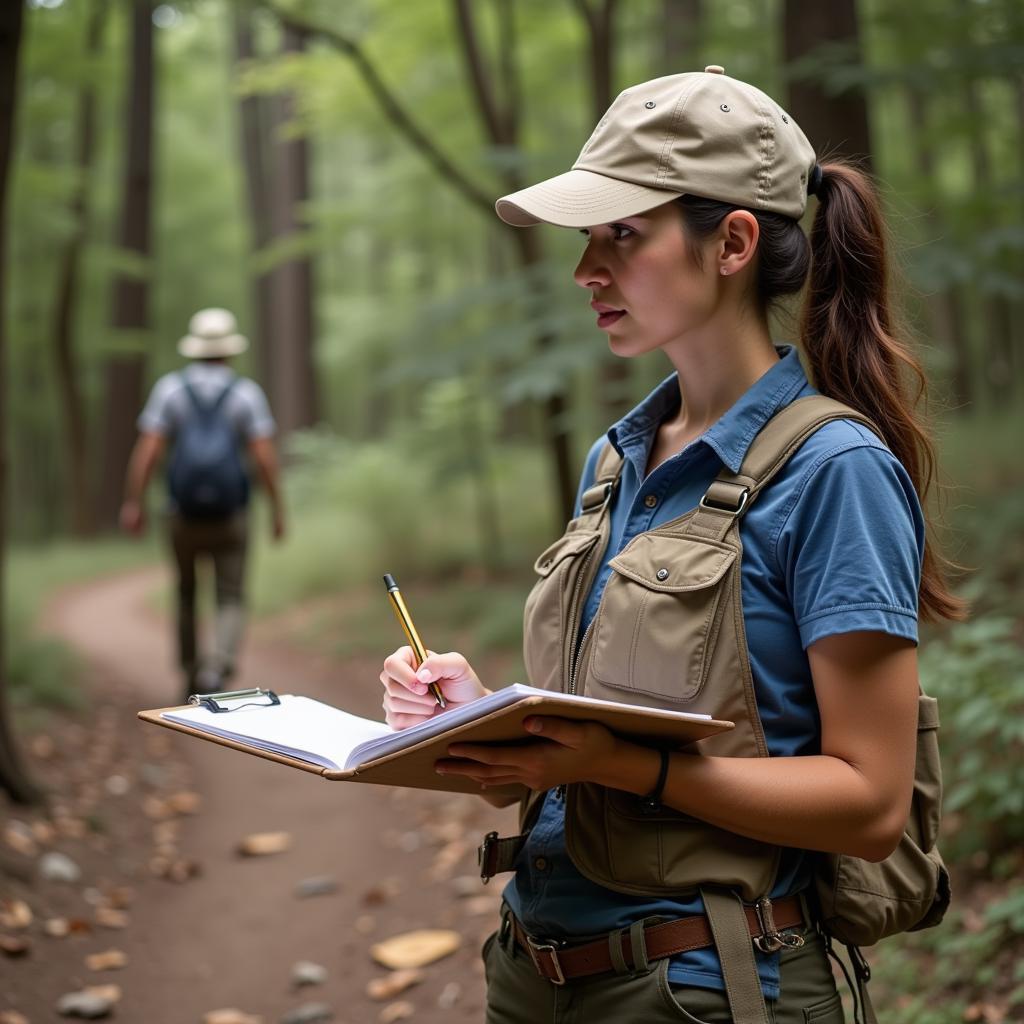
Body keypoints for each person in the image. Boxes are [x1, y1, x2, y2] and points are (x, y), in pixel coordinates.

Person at [379, 66, 962, 1023]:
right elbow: (608, 726)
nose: (586, 271)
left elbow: (870, 803)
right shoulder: (617, 459)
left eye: (622, 235)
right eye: (585, 239)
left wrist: (612, 763)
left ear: (731, 241)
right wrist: (482, 722)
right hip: (534, 973)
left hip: (706, 988)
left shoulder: (833, 472)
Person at [120, 307, 285, 698]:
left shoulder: (170, 391)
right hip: (232, 514)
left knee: (186, 592)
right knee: (230, 594)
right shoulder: (246, 394)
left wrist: (134, 502)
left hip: (182, 515)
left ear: (194, 349)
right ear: (229, 351)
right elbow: (264, 457)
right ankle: (218, 666)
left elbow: (147, 452)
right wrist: (278, 509)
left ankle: (190, 672)